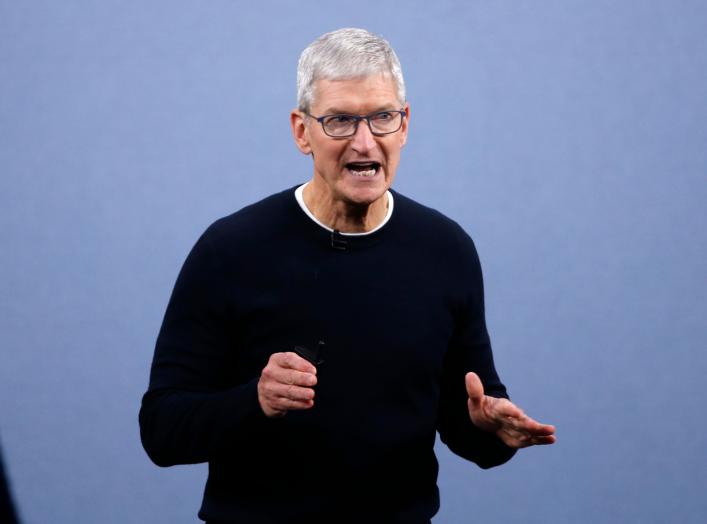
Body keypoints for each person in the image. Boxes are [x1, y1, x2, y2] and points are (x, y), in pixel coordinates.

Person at [139, 28, 555, 524]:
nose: (364, 142)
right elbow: (162, 430)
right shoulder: (230, 250)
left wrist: (491, 430)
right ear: (301, 131)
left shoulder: (447, 250)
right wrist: (256, 401)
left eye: (382, 117)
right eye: (339, 120)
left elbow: (466, 424)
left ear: (405, 125)